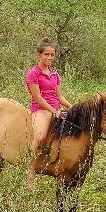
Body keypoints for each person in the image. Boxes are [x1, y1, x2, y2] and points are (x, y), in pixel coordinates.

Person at [26, 39, 71, 190]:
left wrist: (71, 107)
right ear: (39, 55)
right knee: (40, 137)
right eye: (47, 54)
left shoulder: (55, 74)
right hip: (40, 109)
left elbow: (59, 97)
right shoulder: (33, 74)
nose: (50, 57)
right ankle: (30, 170)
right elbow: (38, 98)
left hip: (56, 108)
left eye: (52, 55)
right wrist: (53, 111)